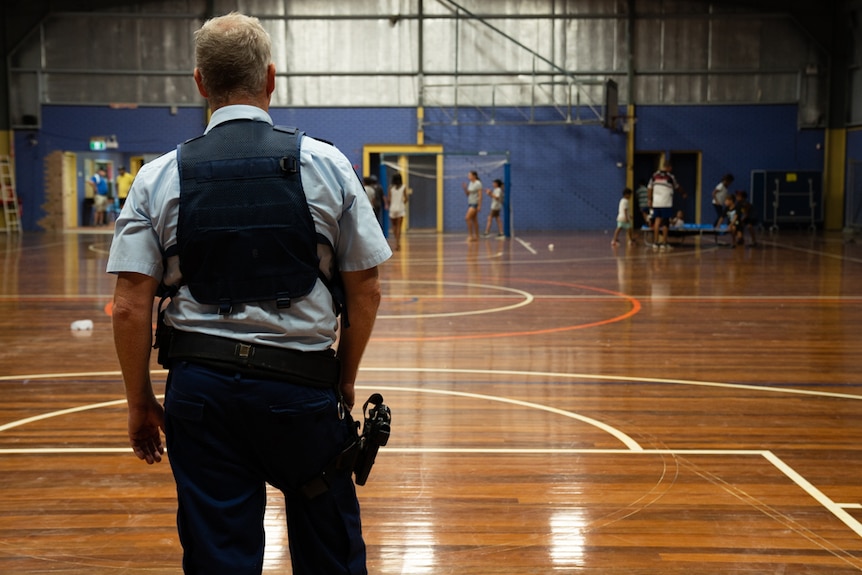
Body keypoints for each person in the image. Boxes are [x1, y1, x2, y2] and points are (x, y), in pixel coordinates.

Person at [107, 12, 391, 575]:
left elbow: (128, 305)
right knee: (330, 553)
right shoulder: (329, 165)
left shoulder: (157, 176)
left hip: (202, 399)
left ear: (199, 83)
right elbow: (367, 290)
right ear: (271, 77)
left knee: (219, 559)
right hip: (301, 392)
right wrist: (345, 379)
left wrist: (140, 402)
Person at [648, 161, 684, 250]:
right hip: (666, 202)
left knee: (657, 221)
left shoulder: (654, 176)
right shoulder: (670, 176)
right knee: (665, 222)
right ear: (668, 167)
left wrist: (649, 200)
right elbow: (677, 186)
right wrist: (683, 193)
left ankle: (655, 243)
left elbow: (649, 188)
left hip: (656, 202)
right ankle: (664, 243)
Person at [387, 173, 407, 250]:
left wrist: (390, 204)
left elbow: (389, 199)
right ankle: (398, 243)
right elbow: (406, 198)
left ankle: (396, 240)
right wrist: (402, 203)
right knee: (399, 227)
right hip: (400, 208)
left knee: (394, 226)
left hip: (393, 208)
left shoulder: (390, 188)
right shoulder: (404, 187)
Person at [462, 170, 482, 241]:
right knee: (474, 220)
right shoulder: (470, 183)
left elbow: (480, 195)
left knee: (467, 218)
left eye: (470, 175)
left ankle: (470, 236)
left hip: (475, 203)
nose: (468, 177)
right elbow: (468, 194)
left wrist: (479, 205)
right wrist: (465, 188)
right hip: (470, 203)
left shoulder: (478, 183)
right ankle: (477, 236)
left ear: (474, 176)